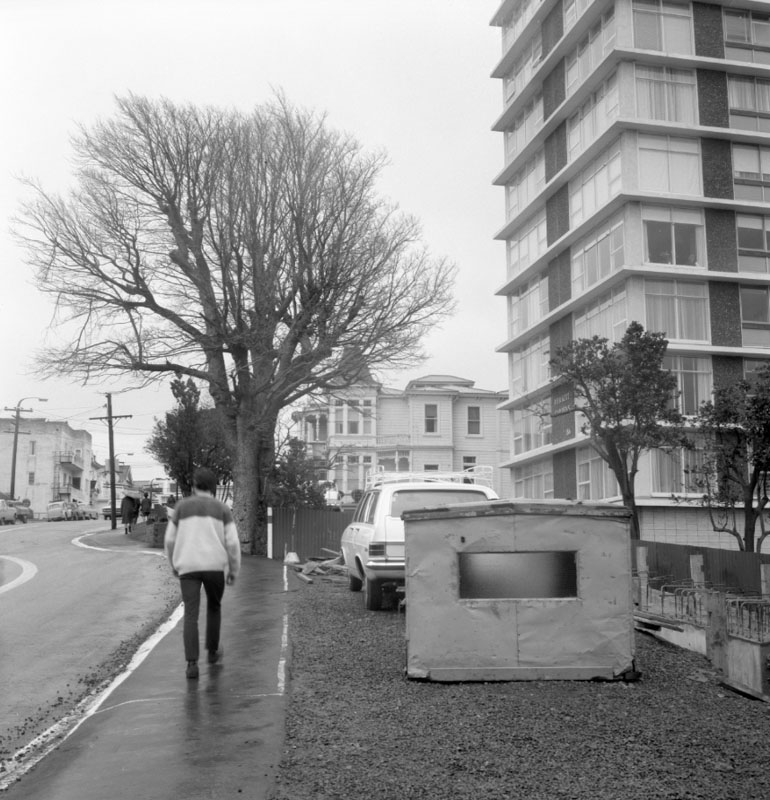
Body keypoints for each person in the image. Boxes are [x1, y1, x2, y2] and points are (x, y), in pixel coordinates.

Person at [164, 468, 241, 679]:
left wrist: (173, 563)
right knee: (214, 607)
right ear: (214, 487)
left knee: (190, 614)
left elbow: (170, 540)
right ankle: (213, 652)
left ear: (195, 486)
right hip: (215, 566)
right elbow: (233, 543)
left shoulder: (181, 507)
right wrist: (233, 569)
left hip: (188, 567)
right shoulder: (222, 509)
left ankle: (191, 664)